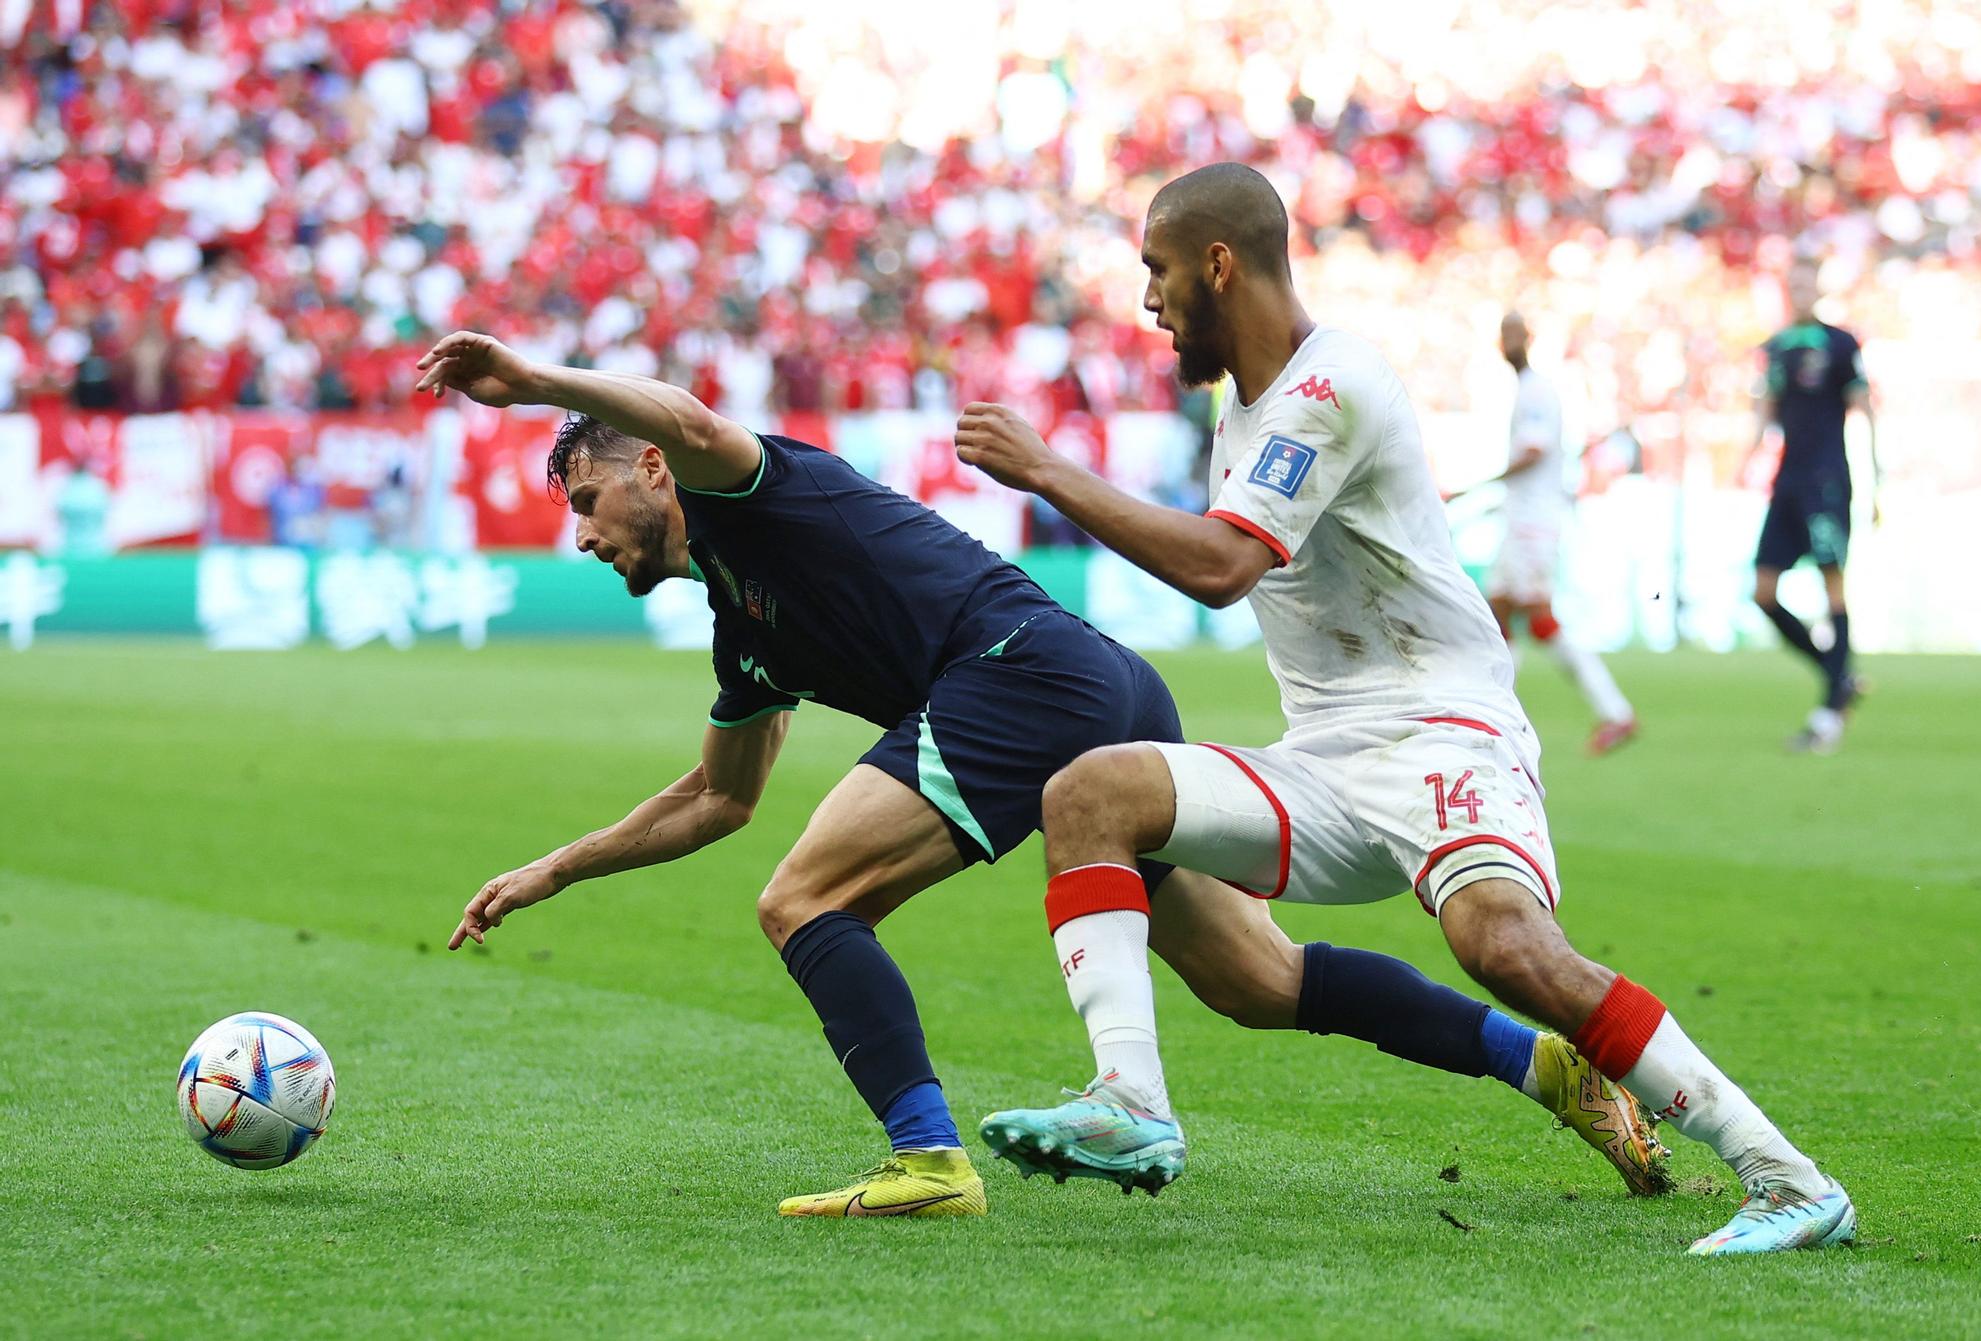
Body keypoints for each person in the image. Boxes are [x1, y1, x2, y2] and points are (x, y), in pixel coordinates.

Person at [413, 329, 1663, 1218]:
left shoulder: (743, 487)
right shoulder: (744, 626)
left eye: (583, 497)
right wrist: (550, 869)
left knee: (805, 903)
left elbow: (684, 418)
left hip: (1016, 672)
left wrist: (528, 382)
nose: (580, 534)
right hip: (1100, 684)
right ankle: (1543, 1063)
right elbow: (715, 798)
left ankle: (923, 1160)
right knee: (1255, 979)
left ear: (640, 468)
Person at [954, 163, 1850, 1255]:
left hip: (1440, 727)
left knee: (1506, 950)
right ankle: (1131, 1105)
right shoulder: (1242, 414)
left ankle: (1786, 1178)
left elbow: (1224, 564)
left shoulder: (1330, 388)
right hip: (1325, 758)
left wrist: (1047, 471)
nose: (1146, 300)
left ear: (1217, 265)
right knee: (1088, 796)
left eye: (1156, 270)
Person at [1475, 312, 1635, 754]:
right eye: (1502, 334)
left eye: (1514, 334)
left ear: (1528, 340)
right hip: (1520, 518)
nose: (1508, 342)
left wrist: (1480, 485)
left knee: (1538, 617)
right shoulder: (1526, 389)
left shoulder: (1538, 390)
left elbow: (1534, 450)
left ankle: (1616, 712)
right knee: (1498, 613)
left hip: (1534, 523)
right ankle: (1493, 715)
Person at [1751, 261, 1879, 754]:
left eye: (1807, 283)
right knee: (1762, 591)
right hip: (1787, 480)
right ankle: (1838, 674)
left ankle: (1829, 711)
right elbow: (1765, 413)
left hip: (1827, 479)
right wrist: (1748, 457)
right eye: (1794, 284)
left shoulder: (1842, 343)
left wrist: (1876, 477)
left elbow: (1864, 408)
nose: (1800, 291)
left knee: (1832, 586)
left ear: (1819, 288)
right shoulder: (1776, 347)